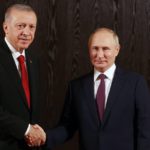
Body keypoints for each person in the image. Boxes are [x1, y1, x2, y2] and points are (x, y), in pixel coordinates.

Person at [45, 27, 150, 150]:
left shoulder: (135, 83)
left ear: (117, 50)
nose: (99, 55)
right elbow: (68, 126)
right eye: (95, 48)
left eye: (105, 49)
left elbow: (145, 129)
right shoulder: (76, 86)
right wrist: (44, 137)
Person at [0, 3, 46, 150]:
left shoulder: (33, 60)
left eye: (31, 27)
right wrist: (26, 130)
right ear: (6, 28)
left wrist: (34, 132)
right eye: (20, 26)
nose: (27, 32)